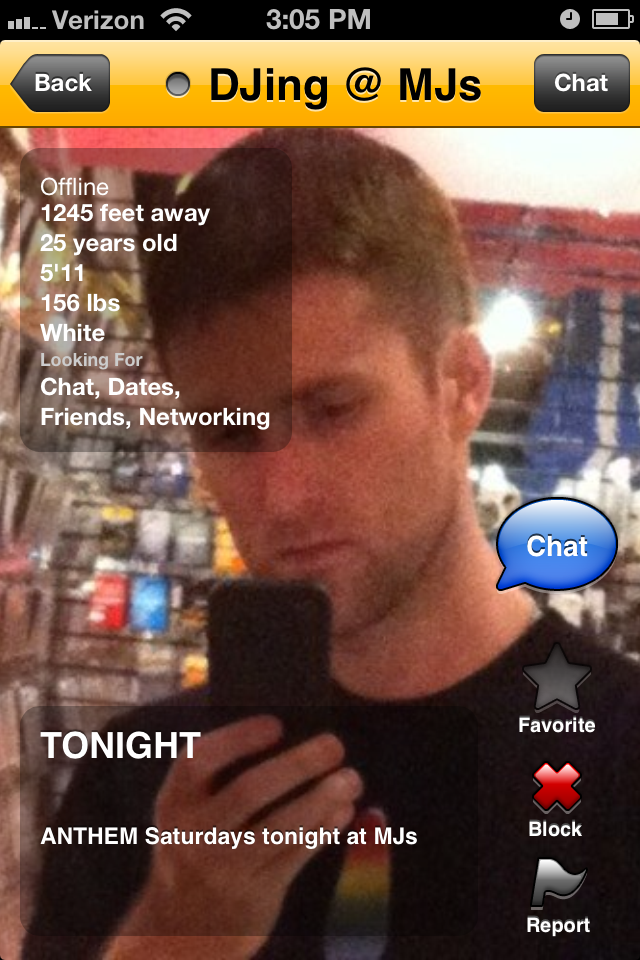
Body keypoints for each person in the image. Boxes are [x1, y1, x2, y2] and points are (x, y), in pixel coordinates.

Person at [22, 129, 640, 960]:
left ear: (463, 383)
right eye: (230, 433)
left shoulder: (621, 765)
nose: (283, 495)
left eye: (334, 410)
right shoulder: (137, 791)